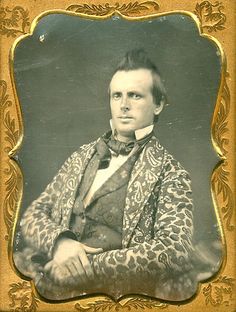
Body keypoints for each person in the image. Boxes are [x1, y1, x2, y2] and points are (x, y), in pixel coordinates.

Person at [14, 49, 198, 301]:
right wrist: (61, 244)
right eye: (116, 96)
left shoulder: (171, 173)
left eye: (135, 95)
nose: (123, 105)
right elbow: (32, 216)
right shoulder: (82, 156)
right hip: (51, 277)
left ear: (158, 104)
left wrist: (85, 267)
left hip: (114, 294)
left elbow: (174, 250)